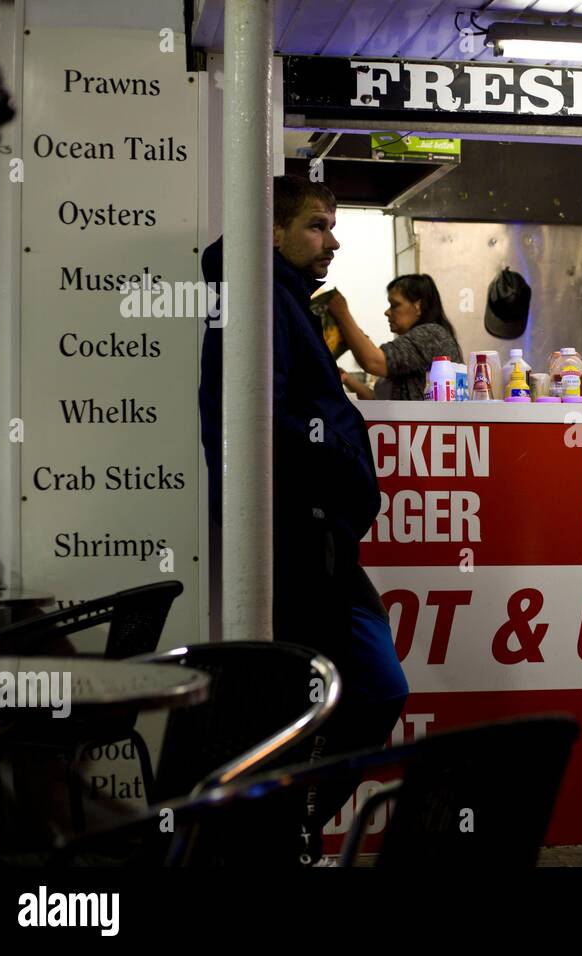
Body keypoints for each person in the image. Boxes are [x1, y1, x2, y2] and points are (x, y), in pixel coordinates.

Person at [198, 175, 408, 865]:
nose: (333, 240)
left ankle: (294, 830)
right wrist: (344, 462)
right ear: (274, 230)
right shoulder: (255, 299)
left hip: (318, 536)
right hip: (295, 535)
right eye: (317, 225)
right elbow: (262, 419)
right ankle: (284, 837)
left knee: (367, 689)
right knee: (320, 697)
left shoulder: (281, 298)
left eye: (331, 225)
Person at [327, 274, 462, 400]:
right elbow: (382, 403)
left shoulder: (431, 336)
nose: (387, 312)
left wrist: (342, 313)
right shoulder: (413, 346)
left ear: (418, 305)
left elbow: (373, 362)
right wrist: (347, 379)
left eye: (395, 305)